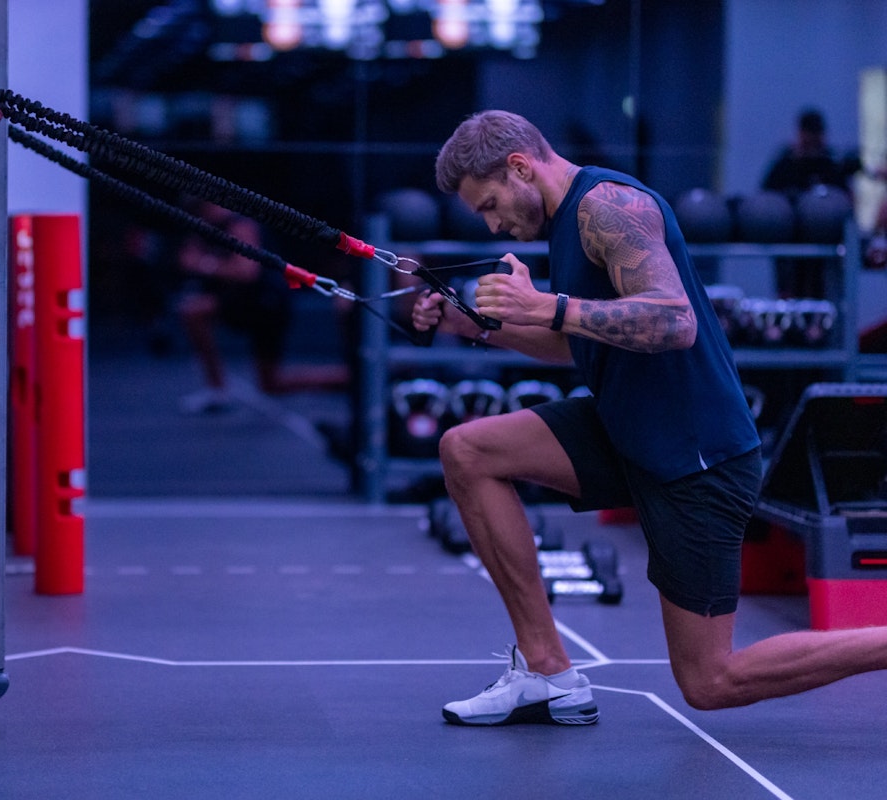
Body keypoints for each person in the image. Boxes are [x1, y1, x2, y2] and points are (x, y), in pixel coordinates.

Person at [412, 109, 887, 727]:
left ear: (521, 167)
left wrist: (547, 305)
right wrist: (469, 325)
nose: (493, 221)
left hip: (697, 457)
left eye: (491, 203)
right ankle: (547, 669)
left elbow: (672, 320)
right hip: (626, 427)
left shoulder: (606, 206)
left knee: (711, 682)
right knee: (468, 450)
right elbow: (575, 341)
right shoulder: (560, 221)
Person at [175, 200, 347, 413]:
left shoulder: (238, 226)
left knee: (194, 311)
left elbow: (247, 272)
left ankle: (217, 388)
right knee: (271, 385)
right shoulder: (204, 231)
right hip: (245, 302)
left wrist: (203, 264)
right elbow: (187, 260)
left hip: (266, 304)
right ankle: (349, 378)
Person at [761, 108, 860, 298]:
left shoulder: (829, 163)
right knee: (788, 293)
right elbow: (767, 200)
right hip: (789, 245)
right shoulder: (786, 162)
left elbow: (844, 200)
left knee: (822, 293)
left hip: (824, 249)